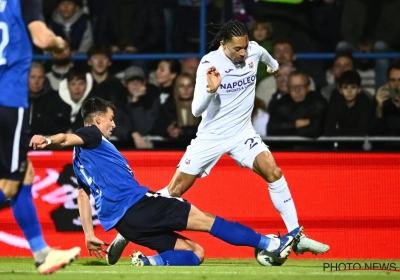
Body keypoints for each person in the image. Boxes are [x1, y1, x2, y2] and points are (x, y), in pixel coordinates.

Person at [29, 97, 304, 266]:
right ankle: (271, 245)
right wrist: (49, 140)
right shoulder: (91, 134)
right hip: (139, 206)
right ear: (98, 119)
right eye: (110, 119)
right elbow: (66, 138)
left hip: (126, 225)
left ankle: (148, 263)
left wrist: (89, 234)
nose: (113, 125)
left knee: (195, 253)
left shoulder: (80, 161)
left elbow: (82, 196)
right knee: (206, 220)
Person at [149, 20, 327, 255]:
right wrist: (212, 90)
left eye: (245, 47)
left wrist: (273, 65)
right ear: (223, 44)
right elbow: (195, 110)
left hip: (243, 133)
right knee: (175, 190)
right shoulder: (210, 63)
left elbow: (264, 54)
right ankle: (133, 220)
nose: (243, 53)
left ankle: (295, 234)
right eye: (237, 49)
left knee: (273, 171)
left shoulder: (253, 49)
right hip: (212, 136)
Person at [0, 0, 80, 274]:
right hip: (7, 102)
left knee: (26, 173)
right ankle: (42, 253)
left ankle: (41, 252)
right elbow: (42, 38)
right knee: (10, 185)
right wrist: (59, 43)